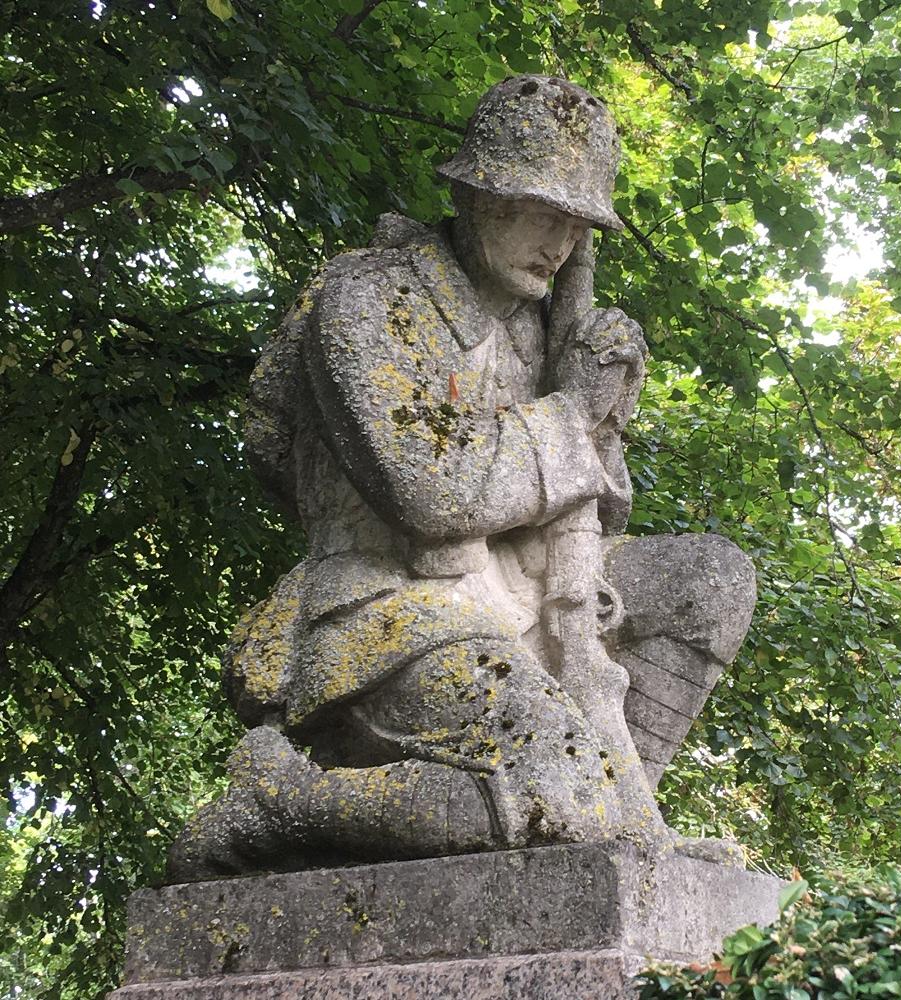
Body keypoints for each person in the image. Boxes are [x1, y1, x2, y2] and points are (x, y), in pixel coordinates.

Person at [167, 76, 755, 883]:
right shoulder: (370, 299)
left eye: (577, 225)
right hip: (390, 610)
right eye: (546, 215)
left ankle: (622, 809)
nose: (561, 245)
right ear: (480, 196)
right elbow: (430, 490)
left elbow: (594, 515)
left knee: (713, 578)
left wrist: (601, 409)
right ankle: (285, 803)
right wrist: (568, 417)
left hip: (516, 592)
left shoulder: (540, 323)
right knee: (557, 791)